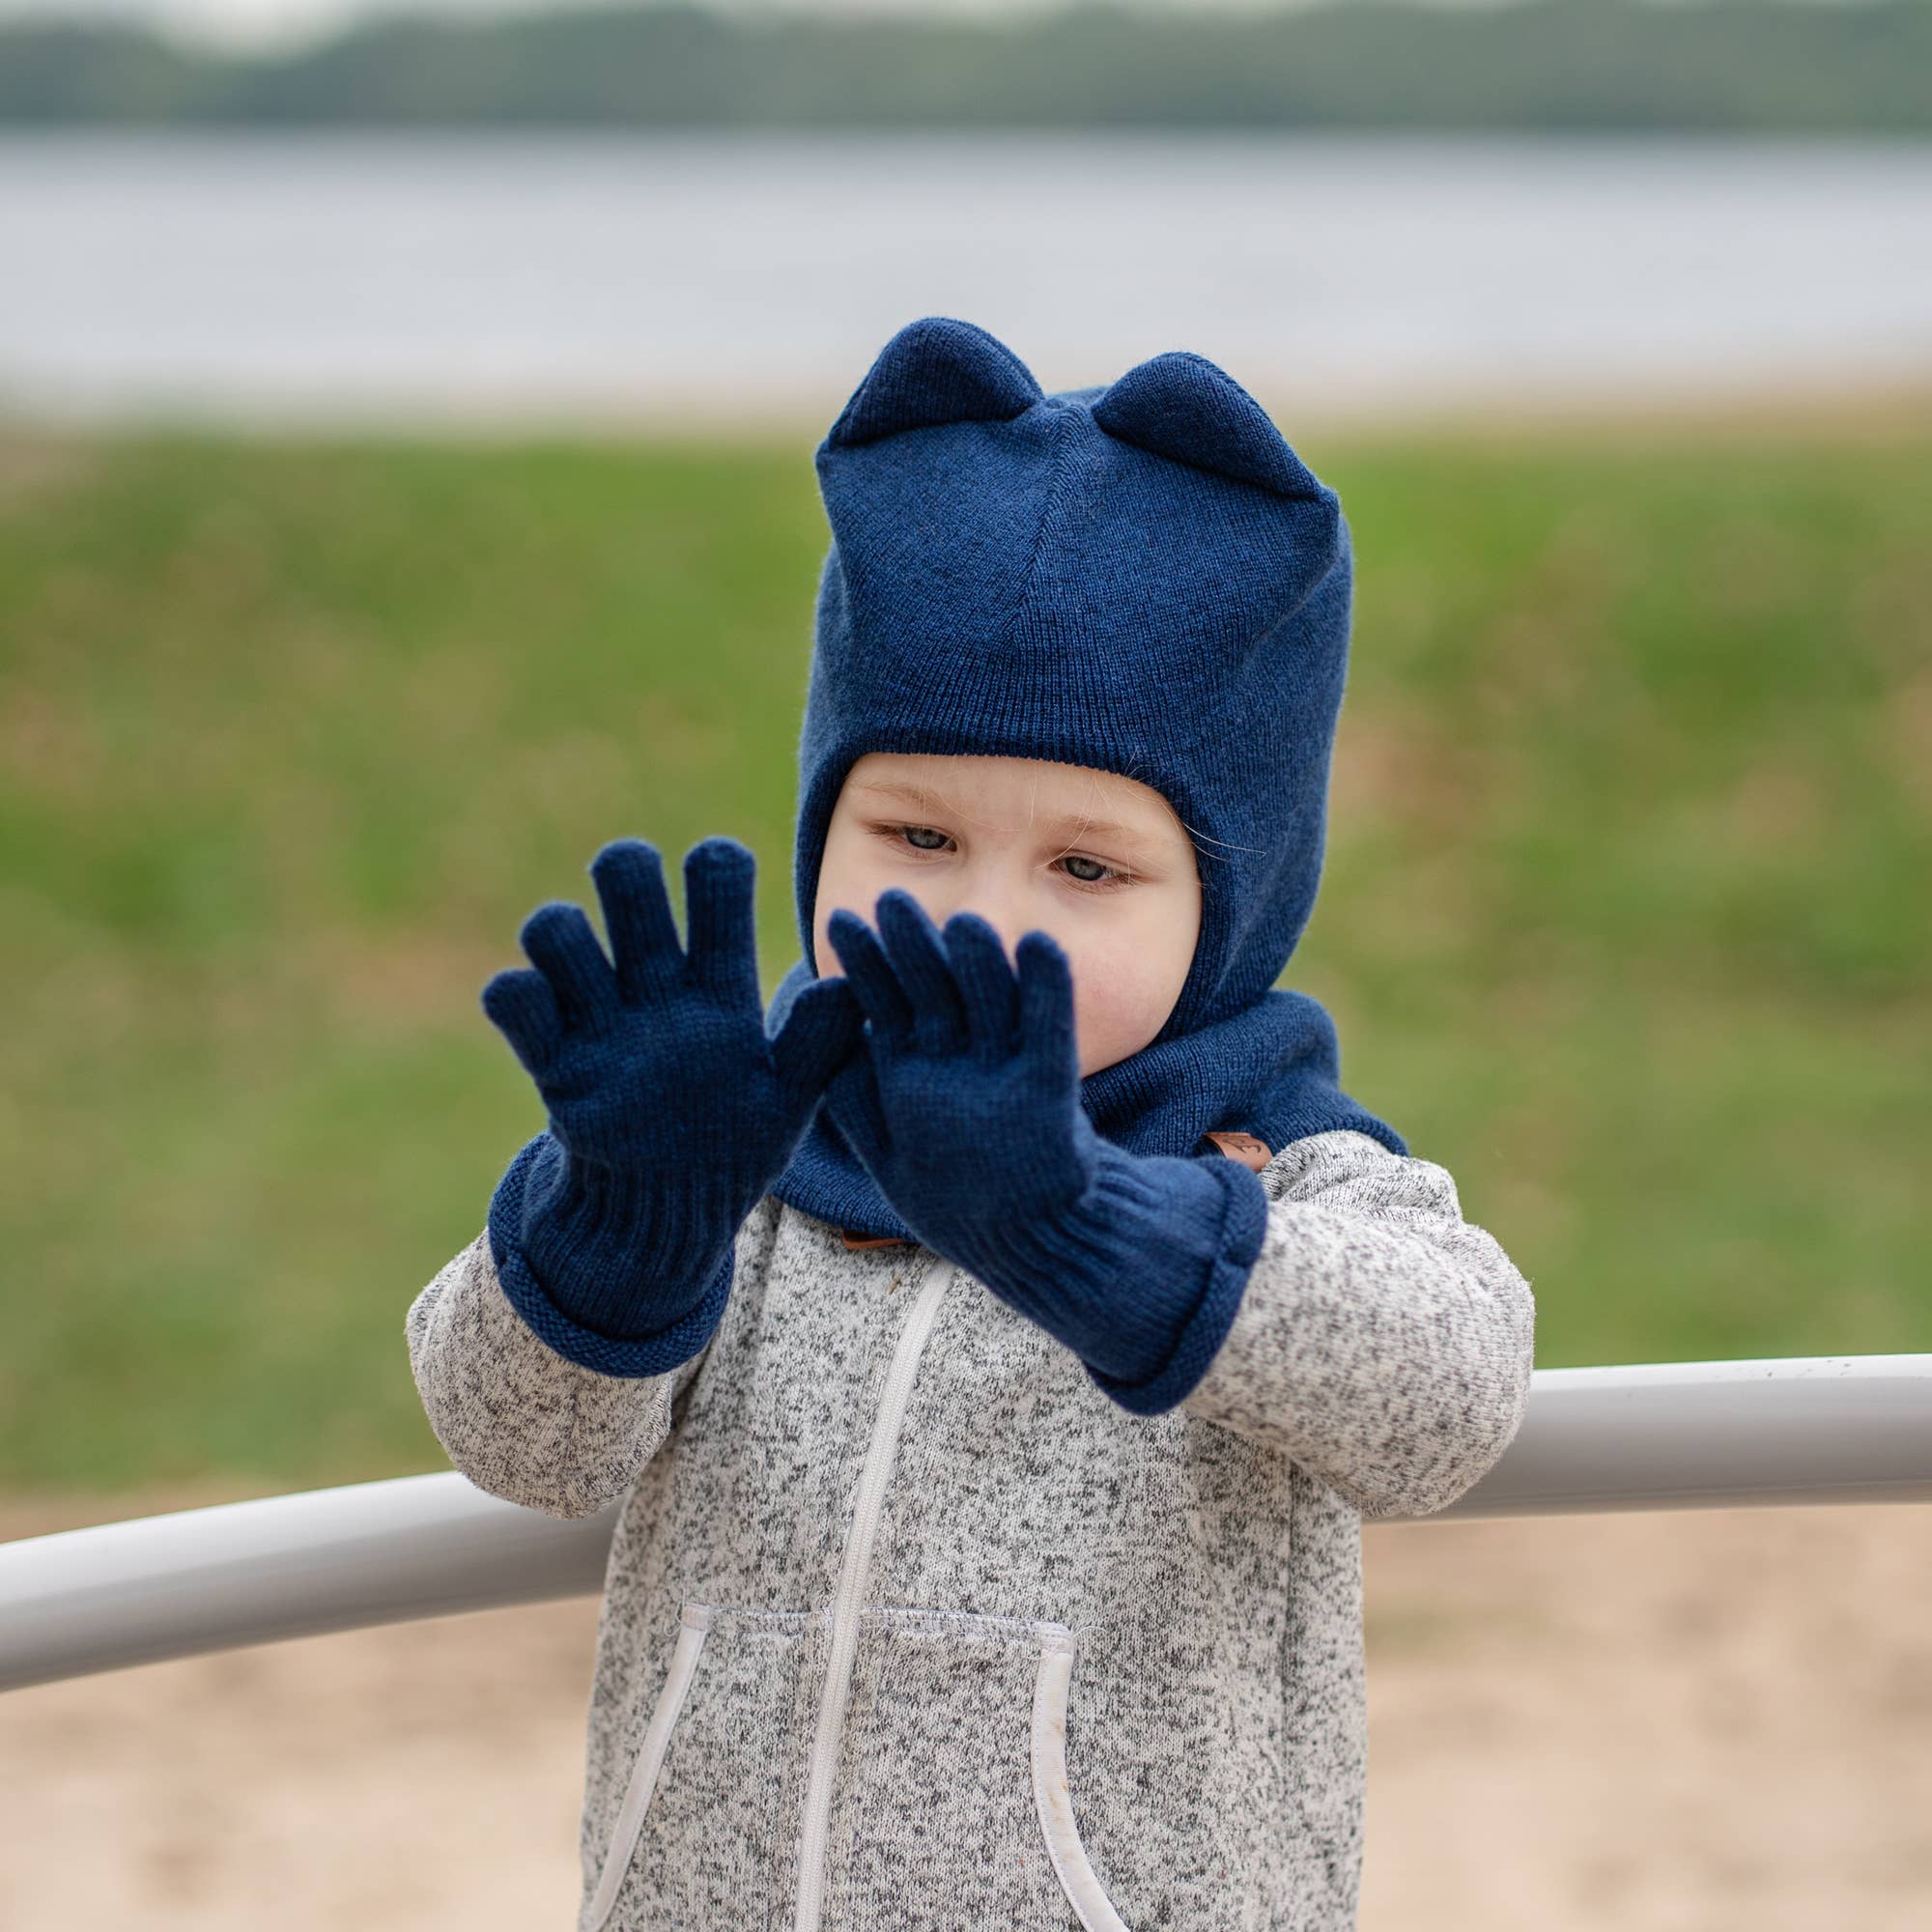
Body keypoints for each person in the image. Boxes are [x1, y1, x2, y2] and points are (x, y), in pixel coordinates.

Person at [406, 315, 1537, 1932]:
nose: (984, 920)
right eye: (916, 833)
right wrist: (628, 1221)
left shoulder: (1270, 1168)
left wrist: (1074, 1220)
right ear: (822, 827)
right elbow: (520, 1450)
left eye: (1087, 869)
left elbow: (1450, 1398)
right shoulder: (743, 1147)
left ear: (1234, 899)